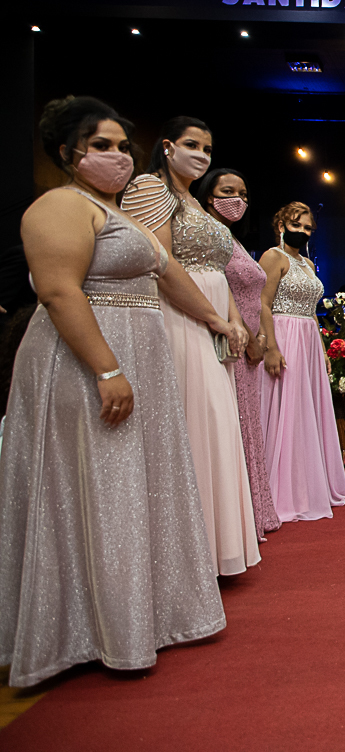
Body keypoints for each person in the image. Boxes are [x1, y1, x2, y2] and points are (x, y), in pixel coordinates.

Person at [1, 97, 226, 686]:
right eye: (101, 146)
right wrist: (106, 369)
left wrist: (220, 322)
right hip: (84, 358)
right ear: (66, 152)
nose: (119, 157)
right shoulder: (59, 205)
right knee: (96, 483)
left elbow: (170, 275)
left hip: (138, 356)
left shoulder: (119, 213)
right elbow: (59, 291)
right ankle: (78, 631)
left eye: (124, 147)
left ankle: (134, 617)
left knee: (127, 484)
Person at [122, 117, 259, 576]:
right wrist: (213, 317)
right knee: (197, 422)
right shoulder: (149, 187)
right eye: (192, 145)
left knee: (218, 424)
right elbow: (160, 264)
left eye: (207, 148)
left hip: (211, 319)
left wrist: (234, 320)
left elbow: (220, 270)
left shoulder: (195, 202)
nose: (201, 154)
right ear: (167, 146)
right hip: (178, 318)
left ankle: (214, 548)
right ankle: (183, 556)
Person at [197, 168, 281, 541]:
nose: (238, 200)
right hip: (229, 343)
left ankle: (253, 512)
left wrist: (260, 337)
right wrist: (245, 336)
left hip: (250, 344)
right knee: (234, 427)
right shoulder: (207, 238)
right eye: (228, 192)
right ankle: (235, 521)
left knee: (249, 427)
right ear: (208, 196)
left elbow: (255, 297)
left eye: (243, 194)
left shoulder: (231, 238)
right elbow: (216, 289)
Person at [258, 202, 345, 521]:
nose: (303, 231)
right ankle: (285, 490)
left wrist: (323, 351)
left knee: (306, 409)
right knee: (289, 409)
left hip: (309, 340)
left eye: (308, 228)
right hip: (284, 335)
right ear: (281, 225)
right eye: (297, 225)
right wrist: (271, 347)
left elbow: (312, 311)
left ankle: (309, 485)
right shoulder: (273, 257)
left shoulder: (308, 263)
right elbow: (262, 303)